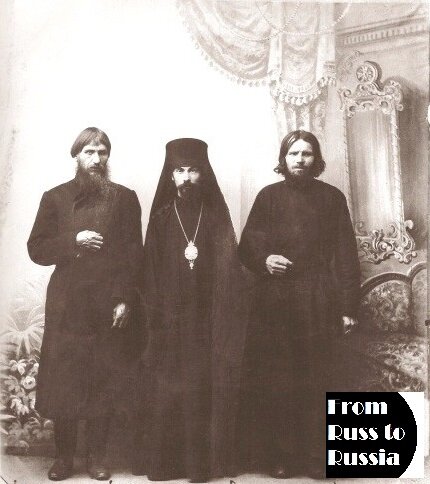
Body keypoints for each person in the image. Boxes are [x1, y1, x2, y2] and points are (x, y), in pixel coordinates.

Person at [238, 130, 360, 479]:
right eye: (294, 154)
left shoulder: (332, 198)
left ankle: (316, 457)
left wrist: (348, 308)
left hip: (318, 299)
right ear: (284, 159)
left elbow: (345, 255)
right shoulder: (268, 197)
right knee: (277, 379)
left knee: (317, 378)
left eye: (307, 153)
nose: (300, 160)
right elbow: (246, 247)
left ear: (316, 159)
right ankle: (280, 458)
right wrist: (265, 259)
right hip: (275, 302)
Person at [27, 127, 143, 481]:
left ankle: (96, 458)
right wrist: (73, 240)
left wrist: (124, 299)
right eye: (89, 152)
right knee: (66, 381)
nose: (96, 159)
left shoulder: (124, 198)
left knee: (102, 380)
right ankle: (64, 458)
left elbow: (133, 255)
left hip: (107, 302)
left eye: (102, 152)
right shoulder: (55, 197)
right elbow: (36, 249)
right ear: (76, 155)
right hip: (68, 304)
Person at [133, 138, 248, 482]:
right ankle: (166, 466)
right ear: (170, 176)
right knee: (169, 389)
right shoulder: (161, 219)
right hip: (169, 322)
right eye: (179, 171)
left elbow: (229, 273)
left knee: (202, 389)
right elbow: (149, 272)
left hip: (207, 323)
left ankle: (201, 466)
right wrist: (159, 316)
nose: (186, 178)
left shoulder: (216, 218)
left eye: (193, 170)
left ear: (203, 174)